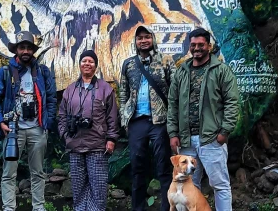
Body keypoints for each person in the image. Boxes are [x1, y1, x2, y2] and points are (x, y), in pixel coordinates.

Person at [167, 28, 239, 211]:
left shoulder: (221, 70)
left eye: (201, 45)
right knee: (192, 185)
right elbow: (172, 104)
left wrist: (224, 131)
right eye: (193, 45)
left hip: (211, 139)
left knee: (220, 185)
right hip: (186, 140)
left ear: (209, 46)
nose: (197, 48)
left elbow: (232, 101)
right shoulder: (181, 72)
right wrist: (173, 132)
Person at [0, 31, 57, 211]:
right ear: (16, 50)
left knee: (38, 172)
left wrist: (47, 123)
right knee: (9, 173)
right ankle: (9, 208)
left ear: (33, 50)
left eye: (29, 47)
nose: (25, 51)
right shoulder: (4, 72)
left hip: (37, 128)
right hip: (13, 130)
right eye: (22, 47)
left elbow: (51, 98)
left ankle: (39, 208)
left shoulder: (42, 72)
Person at [119, 25, 175, 211]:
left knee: (164, 169)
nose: (143, 41)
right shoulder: (129, 64)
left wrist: (173, 120)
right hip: (137, 122)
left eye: (146, 37)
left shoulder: (165, 60)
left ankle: (166, 208)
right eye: (139, 38)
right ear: (135, 42)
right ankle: (138, 208)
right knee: (137, 168)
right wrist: (124, 118)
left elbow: (174, 91)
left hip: (160, 122)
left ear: (153, 39)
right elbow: (123, 93)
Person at [58, 50, 119, 211]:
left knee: (98, 188)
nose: (87, 63)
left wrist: (111, 139)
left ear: (96, 66)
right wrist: (65, 136)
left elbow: (112, 116)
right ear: (79, 64)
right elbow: (62, 115)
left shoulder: (105, 89)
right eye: (84, 60)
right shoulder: (70, 90)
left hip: (97, 146)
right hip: (75, 145)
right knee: (78, 187)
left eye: (91, 61)